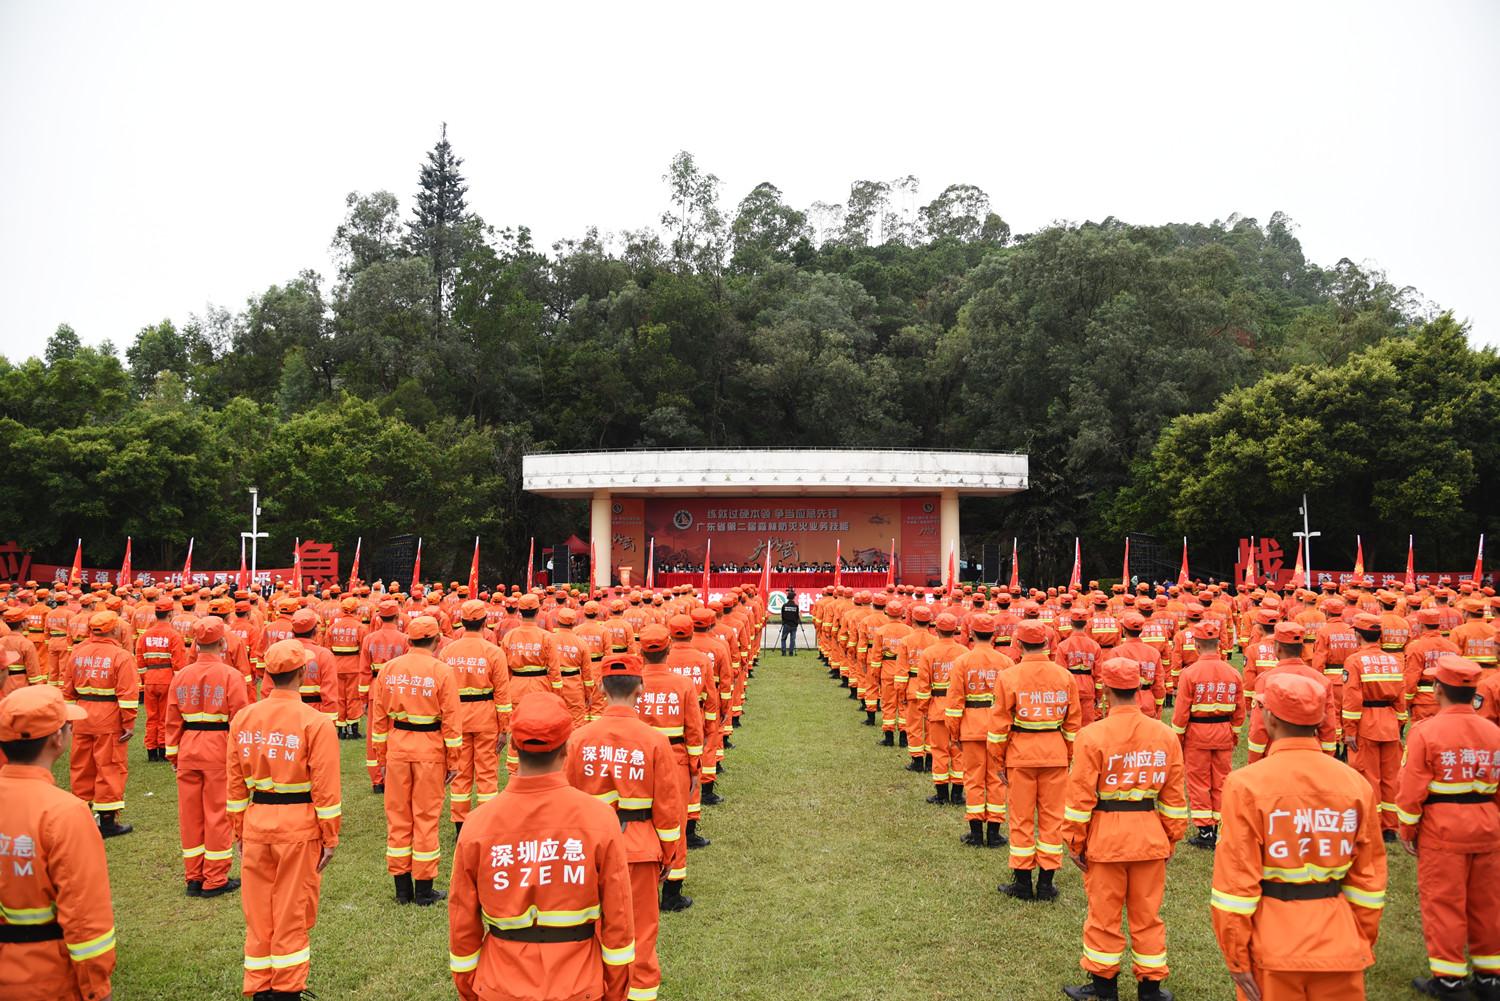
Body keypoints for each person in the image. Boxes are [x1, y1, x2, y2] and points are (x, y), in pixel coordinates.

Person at [448, 692, 636, 1001]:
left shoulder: (477, 824)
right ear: (567, 748)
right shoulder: (601, 820)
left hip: (500, 984)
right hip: (579, 985)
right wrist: (614, 992)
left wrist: (474, 988)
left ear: (513, 747)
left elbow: (462, 924)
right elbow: (619, 923)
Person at [1210, 672, 1386, 1001]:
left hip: (1273, 947)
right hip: (1339, 942)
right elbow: (1369, 882)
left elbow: (1235, 886)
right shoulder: (1354, 784)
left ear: (1271, 718)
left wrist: (1236, 955)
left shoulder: (1246, 785)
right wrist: (1356, 938)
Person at [1062, 657, 1187, 1001]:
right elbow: (1174, 797)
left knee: (1104, 915)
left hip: (1106, 838)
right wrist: (1171, 837)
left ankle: (1104, 987)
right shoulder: (1165, 735)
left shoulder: (1091, 736)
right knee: (1148, 915)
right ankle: (1151, 988)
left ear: (1104, 690)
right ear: (1139, 689)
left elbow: (1079, 798)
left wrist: (1075, 842)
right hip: (1150, 837)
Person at [565, 653, 684, 1001]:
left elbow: (567, 800)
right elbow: (667, 809)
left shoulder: (579, 739)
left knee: (592, 926)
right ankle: (641, 992)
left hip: (588, 849)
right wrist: (669, 855)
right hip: (639, 850)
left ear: (601, 687)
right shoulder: (655, 741)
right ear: (641, 689)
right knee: (641, 930)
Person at [228, 638, 341, 1001]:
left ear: (266, 674)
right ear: (304, 673)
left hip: (257, 821)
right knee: (293, 910)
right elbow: (326, 789)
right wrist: (330, 836)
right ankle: (288, 990)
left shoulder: (244, 718)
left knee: (258, 911)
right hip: (299, 827)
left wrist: (238, 829)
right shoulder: (316, 722)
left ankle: (260, 987)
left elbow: (233, 784)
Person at [0, 684, 116, 1001]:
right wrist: (96, 988)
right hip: (46, 977)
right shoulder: (65, 814)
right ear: (57, 738)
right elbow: (84, 917)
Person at [1395, 655, 1500, 1000]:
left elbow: (1411, 789)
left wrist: (1407, 829)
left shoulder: (1426, 732)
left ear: (1438, 689)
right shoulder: (1493, 732)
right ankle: (1489, 978)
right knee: (1488, 902)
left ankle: (1450, 979)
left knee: (1445, 902)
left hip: (1444, 830)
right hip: (1488, 825)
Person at [369, 615, 462, 905]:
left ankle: (401, 889)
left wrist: (382, 758)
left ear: (409, 640)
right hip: (430, 749)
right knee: (425, 817)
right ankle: (423, 889)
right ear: (436, 641)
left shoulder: (389, 670)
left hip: (398, 747)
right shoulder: (441, 671)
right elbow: (451, 721)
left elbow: (379, 720)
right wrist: (454, 761)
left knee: (398, 818)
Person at [992, 618, 1081, 898]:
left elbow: (998, 728)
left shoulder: (1009, 676)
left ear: (1018, 644)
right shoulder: (1065, 677)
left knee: (1020, 819)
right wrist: (1066, 756)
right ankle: (1046, 883)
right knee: (1053, 819)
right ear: (1047, 643)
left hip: (1020, 756)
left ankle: (1022, 882)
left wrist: (999, 761)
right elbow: (1072, 724)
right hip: (1054, 753)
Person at [165, 616, 250, 897]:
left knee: (190, 815)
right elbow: (239, 719)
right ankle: (215, 878)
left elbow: (172, 719)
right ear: (223, 643)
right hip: (218, 746)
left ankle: (194, 876)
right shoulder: (231, 676)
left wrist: (174, 754)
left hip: (188, 745)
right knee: (217, 813)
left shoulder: (181, 676)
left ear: (196, 644)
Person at [635, 624, 704, 909]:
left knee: (640, 819)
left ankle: (642, 883)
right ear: (668, 649)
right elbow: (694, 731)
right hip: (674, 759)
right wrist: (695, 768)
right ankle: (672, 894)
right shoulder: (683, 685)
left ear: (641, 652)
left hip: (638, 760)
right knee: (674, 821)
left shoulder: (631, 682)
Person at [63, 611, 139, 836]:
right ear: (115, 630)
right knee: (109, 767)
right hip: (108, 718)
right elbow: (127, 694)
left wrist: (68, 718)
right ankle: (107, 822)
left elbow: (67, 690)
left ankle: (81, 816)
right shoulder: (121, 656)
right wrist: (129, 723)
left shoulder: (77, 653)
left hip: (81, 715)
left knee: (81, 766)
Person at [1168, 621, 1243, 848]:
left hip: (1197, 734)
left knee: (1199, 781)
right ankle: (1221, 825)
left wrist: (1178, 739)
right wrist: (1234, 735)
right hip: (1223, 732)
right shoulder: (1233, 673)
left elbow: (1180, 713)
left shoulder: (1190, 674)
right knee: (1222, 779)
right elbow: (1240, 712)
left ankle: (1205, 831)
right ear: (1219, 644)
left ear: (1197, 646)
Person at [441, 600, 510, 836]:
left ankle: (460, 825)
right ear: (485, 623)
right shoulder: (494, 652)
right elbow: (502, 693)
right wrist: (504, 728)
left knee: (459, 772)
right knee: (487, 773)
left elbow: (441, 693)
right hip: (486, 718)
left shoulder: (448, 651)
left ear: (461, 622)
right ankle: (486, 824)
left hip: (456, 720)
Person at [952, 613, 1013, 847]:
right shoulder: (1006, 662)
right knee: (996, 780)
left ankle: (976, 833)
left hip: (971, 727)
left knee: (974, 780)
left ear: (972, 634)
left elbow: (955, 702)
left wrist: (954, 733)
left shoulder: (963, 662)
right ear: (994, 634)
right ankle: (994, 832)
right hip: (998, 728)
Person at [135, 595, 188, 762]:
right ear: (170, 613)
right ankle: (163, 748)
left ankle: (151, 751)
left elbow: (140, 660)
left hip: (150, 680)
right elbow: (178, 664)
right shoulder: (173, 636)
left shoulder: (145, 636)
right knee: (166, 716)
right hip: (167, 680)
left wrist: (146, 678)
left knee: (152, 716)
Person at [779, 589, 801, 657]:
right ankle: (791, 652)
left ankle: (783, 652)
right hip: (794, 625)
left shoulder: (784, 606)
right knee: (792, 639)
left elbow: (782, 616)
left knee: (783, 639)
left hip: (786, 625)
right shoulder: (796, 606)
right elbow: (797, 616)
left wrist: (783, 622)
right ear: (794, 598)